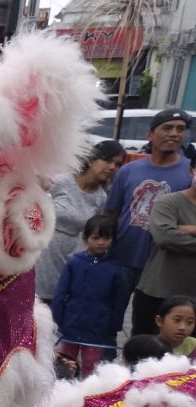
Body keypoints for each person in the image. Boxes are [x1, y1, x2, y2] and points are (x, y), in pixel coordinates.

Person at [104, 108, 194, 334]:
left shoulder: (189, 173)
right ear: (150, 134)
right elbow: (111, 214)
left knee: (153, 326)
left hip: (164, 266)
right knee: (110, 318)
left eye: (180, 129)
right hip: (123, 257)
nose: (174, 134)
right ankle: (106, 360)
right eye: (167, 128)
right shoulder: (128, 171)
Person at [35, 139, 125, 302]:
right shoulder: (61, 181)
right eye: (108, 160)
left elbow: (93, 232)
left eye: (117, 164)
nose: (112, 167)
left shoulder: (100, 198)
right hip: (40, 254)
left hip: (69, 258)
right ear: (91, 160)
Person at [50, 214, 123, 376]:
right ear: (85, 238)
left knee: (91, 364)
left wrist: (113, 325)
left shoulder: (114, 268)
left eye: (106, 238)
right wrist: (58, 319)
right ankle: (64, 390)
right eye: (96, 238)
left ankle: (87, 393)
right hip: (72, 321)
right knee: (66, 361)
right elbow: (61, 293)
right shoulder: (74, 263)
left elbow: (117, 300)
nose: (101, 242)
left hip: (97, 325)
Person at [135, 154, 196, 328]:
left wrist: (187, 228)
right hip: (158, 292)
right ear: (192, 171)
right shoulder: (168, 202)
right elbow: (165, 237)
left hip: (193, 298)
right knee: (147, 349)